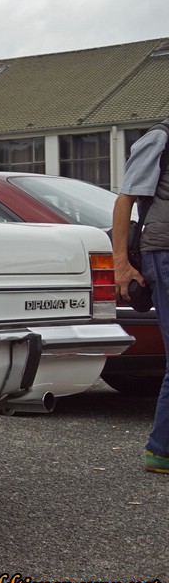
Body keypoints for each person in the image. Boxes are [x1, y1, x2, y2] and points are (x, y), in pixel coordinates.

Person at [112, 119, 169, 474]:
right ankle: (160, 450)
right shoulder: (160, 138)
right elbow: (125, 200)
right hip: (163, 253)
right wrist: (121, 263)